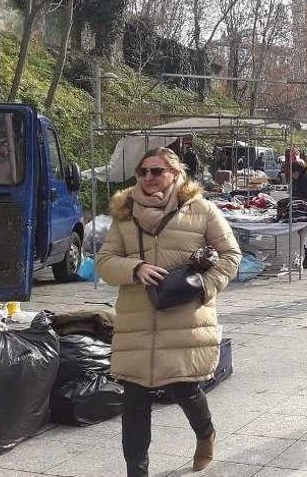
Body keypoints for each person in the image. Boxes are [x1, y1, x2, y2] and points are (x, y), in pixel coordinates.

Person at [96, 148, 242, 476]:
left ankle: (206, 434)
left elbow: (231, 255)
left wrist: (205, 287)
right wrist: (134, 268)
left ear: (175, 174)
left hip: (185, 316)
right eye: (143, 171)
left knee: (186, 390)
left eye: (157, 171)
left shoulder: (202, 210)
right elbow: (104, 262)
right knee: (134, 402)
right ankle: (137, 472)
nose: (149, 177)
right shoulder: (125, 215)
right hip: (137, 320)